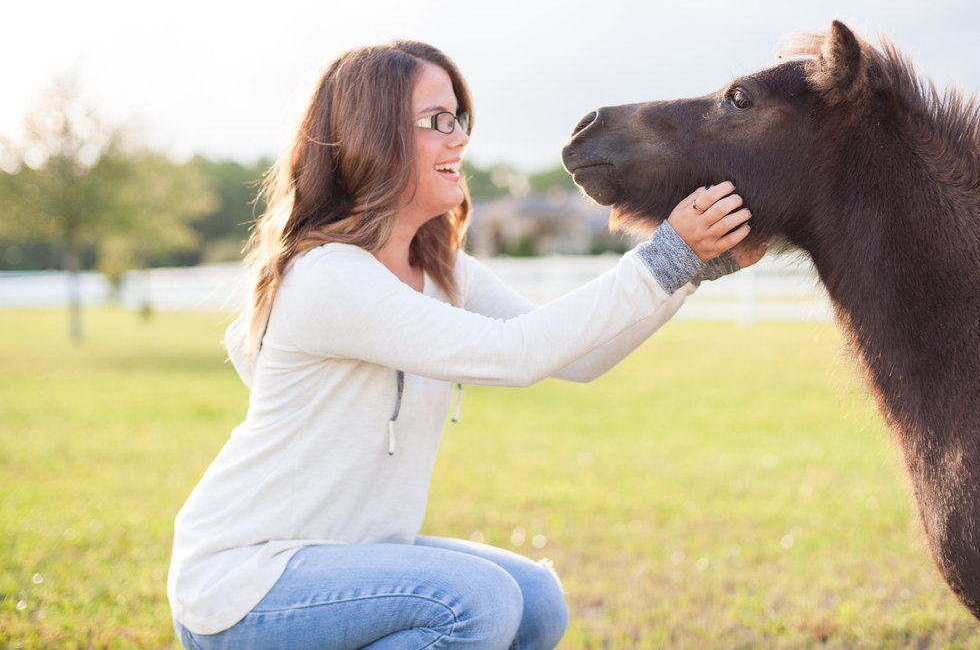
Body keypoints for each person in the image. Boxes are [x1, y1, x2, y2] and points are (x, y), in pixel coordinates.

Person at [168, 40, 766, 650]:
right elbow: (516, 354)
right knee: (476, 603)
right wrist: (667, 254)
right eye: (436, 122)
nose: (458, 139)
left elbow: (579, 357)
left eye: (460, 120)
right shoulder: (329, 277)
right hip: (246, 582)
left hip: (346, 556)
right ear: (371, 136)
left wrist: (691, 268)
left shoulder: (442, 272)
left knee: (536, 600)